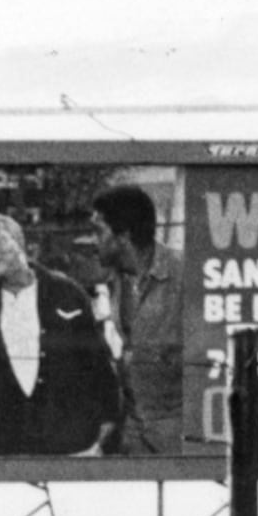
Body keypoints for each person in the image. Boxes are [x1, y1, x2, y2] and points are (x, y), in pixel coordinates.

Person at [0, 212, 119, 458]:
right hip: (5, 451)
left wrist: (105, 432)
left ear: (18, 241)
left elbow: (98, 365)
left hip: (71, 447)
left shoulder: (67, 293)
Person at [86, 181, 183, 454]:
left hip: (178, 442)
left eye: (98, 231)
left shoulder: (185, 276)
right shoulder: (116, 279)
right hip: (135, 436)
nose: (92, 242)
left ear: (124, 234)